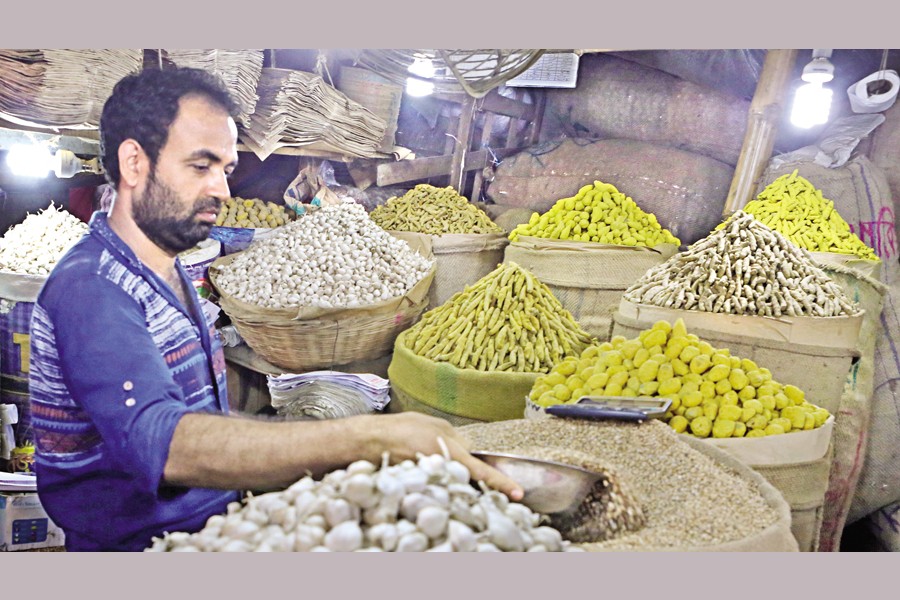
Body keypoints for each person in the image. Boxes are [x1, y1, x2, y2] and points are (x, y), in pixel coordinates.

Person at [28, 66, 522, 552]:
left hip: (204, 534)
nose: (222, 190)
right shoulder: (93, 288)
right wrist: (368, 438)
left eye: (224, 170)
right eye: (200, 167)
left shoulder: (164, 264)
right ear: (134, 163)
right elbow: (167, 445)